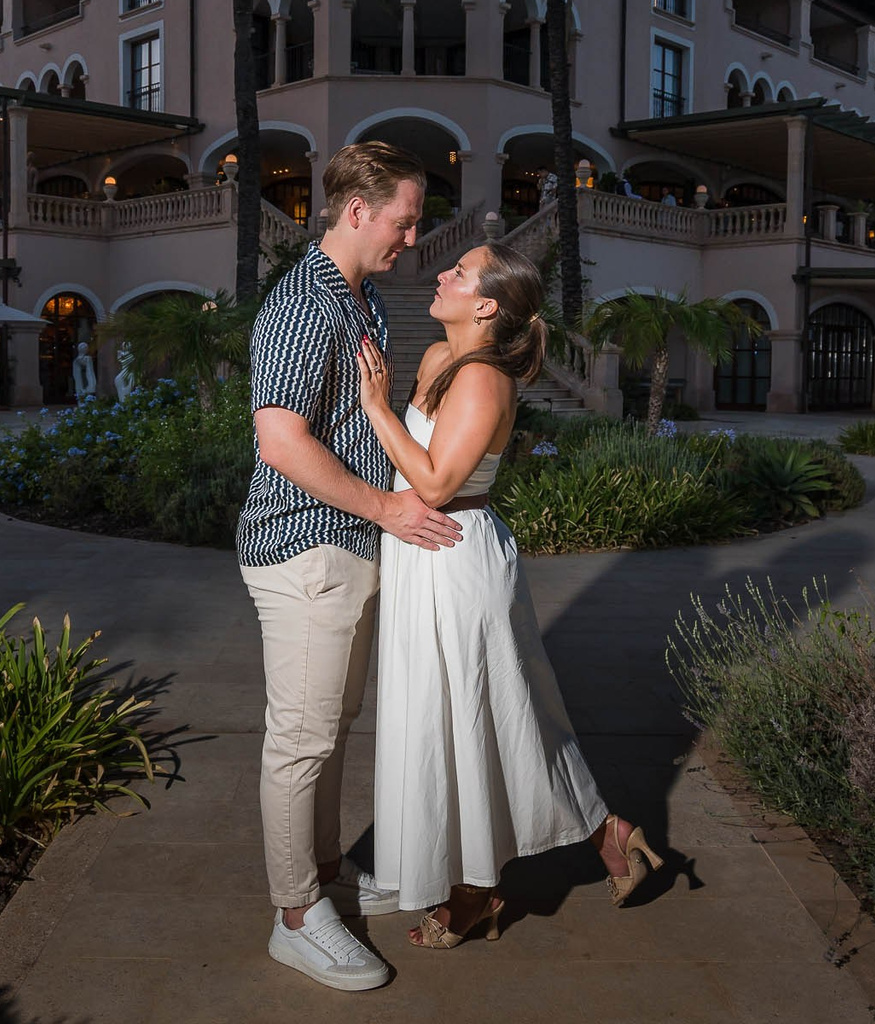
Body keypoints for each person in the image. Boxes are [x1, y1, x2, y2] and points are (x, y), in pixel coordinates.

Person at [351, 243, 664, 949]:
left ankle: (474, 893)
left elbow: (434, 484)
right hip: (419, 554)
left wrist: (375, 406)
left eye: (459, 273)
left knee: (479, 719)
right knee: (467, 718)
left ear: (487, 304)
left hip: (456, 556)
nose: (441, 274)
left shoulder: (485, 380)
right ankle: (600, 835)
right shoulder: (438, 359)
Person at [238, 141, 461, 993]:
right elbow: (281, 439)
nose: (412, 238)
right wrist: (391, 510)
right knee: (301, 740)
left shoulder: (356, 299)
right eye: (405, 222)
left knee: (330, 729)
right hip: (305, 548)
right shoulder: (306, 303)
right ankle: (296, 917)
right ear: (358, 212)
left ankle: (325, 875)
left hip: (347, 544)